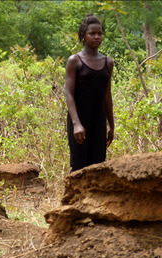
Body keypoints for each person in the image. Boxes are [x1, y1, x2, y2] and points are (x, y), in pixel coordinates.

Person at [65, 14, 114, 172]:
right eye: (92, 33)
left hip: (99, 121)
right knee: (79, 167)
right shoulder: (75, 61)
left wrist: (111, 126)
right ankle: (76, 197)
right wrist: (76, 124)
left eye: (100, 33)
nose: (97, 37)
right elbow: (69, 94)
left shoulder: (108, 62)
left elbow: (107, 95)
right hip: (79, 120)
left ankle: (93, 198)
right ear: (83, 36)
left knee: (97, 167)